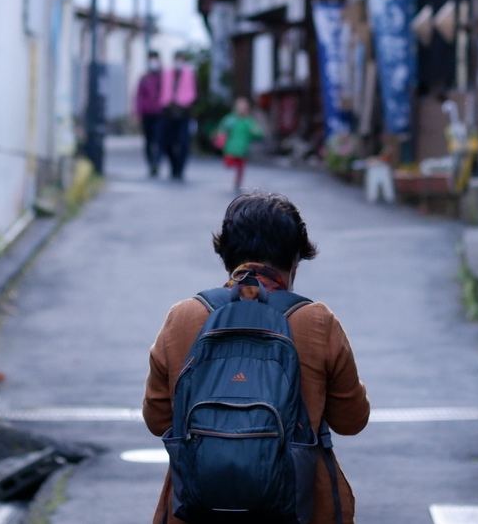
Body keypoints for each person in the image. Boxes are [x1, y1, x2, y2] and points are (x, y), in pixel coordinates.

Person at [143, 192, 370, 524]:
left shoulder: (184, 317)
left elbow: (157, 419)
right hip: (300, 509)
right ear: (294, 260)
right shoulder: (316, 321)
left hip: (197, 509)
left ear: (226, 256)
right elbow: (352, 420)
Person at [159, 50, 197, 180]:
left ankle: (180, 169)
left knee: (183, 143)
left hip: (184, 113)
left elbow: (194, 94)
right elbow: (161, 90)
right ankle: (174, 166)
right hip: (168, 113)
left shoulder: (190, 74)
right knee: (166, 143)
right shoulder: (167, 73)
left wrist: (186, 105)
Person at [214, 96, 263, 190]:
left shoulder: (249, 121)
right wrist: (220, 139)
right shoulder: (230, 120)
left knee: (241, 169)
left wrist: (255, 132)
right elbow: (222, 130)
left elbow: (258, 133)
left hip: (243, 149)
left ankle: (238, 183)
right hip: (231, 149)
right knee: (229, 163)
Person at [135, 51, 165, 177]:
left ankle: (157, 162)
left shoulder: (163, 77)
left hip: (161, 113)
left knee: (159, 139)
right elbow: (138, 96)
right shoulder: (144, 78)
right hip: (147, 113)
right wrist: (138, 112)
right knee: (148, 140)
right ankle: (151, 163)